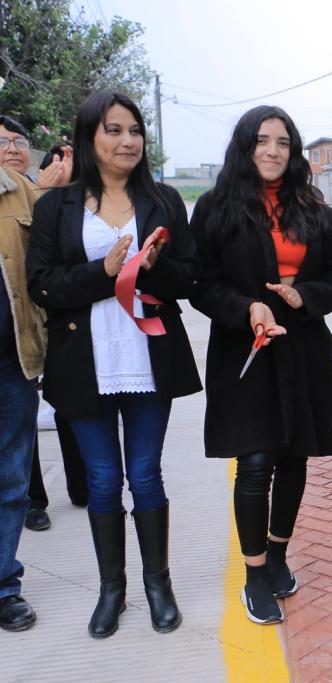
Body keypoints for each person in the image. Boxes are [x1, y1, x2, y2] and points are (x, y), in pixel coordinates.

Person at [26, 91, 202, 638]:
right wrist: (104, 271)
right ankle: (112, 590)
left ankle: (158, 585)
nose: (128, 141)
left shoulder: (164, 199)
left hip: (148, 360)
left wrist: (153, 266)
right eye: (114, 130)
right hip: (85, 363)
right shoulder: (56, 207)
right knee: (102, 482)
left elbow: (191, 280)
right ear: (90, 136)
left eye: (135, 130)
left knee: (145, 476)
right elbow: (42, 287)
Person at [190, 105, 332, 625]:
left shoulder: (313, 208)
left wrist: (303, 296)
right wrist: (247, 308)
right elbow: (200, 282)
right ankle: (255, 573)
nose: (272, 151)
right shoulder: (217, 207)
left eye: (283, 142)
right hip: (246, 350)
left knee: (294, 458)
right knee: (256, 461)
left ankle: (279, 553)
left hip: (301, 348)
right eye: (262, 141)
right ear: (244, 146)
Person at [0, 119, 86, 532]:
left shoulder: (30, 194)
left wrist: (54, 190)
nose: (14, 148)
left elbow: (60, 246)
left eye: (20, 141)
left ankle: (40, 501)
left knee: (17, 456)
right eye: (4, 141)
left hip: (23, 343)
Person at [0, 163, 43, 632]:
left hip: (11, 364)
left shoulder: (20, 194)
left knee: (11, 483)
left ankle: (3, 587)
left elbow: (46, 270)